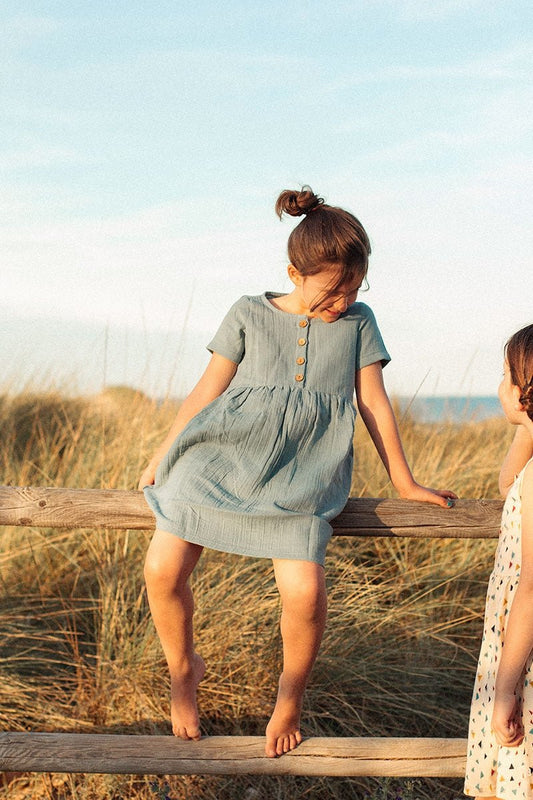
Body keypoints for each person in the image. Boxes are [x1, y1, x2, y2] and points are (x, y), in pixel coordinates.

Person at [138, 186, 457, 758]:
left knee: (305, 591)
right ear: (294, 271)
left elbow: (374, 404)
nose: (346, 299)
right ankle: (183, 668)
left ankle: (290, 695)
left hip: (303, 475)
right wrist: (164, 454)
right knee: (161, 567)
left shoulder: (360, 323)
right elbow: (206, 391)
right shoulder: (247, 312)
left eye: (356, 287)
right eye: (335, 289)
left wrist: (404, 483)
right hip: (219, 458)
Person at [464, 324, 533, 800]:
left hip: (521, 662)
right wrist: (530, 427)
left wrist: (505, 691)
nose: (499, 387)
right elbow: (509, 485)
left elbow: (531, 588)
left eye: (507, 376)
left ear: (526, 391)